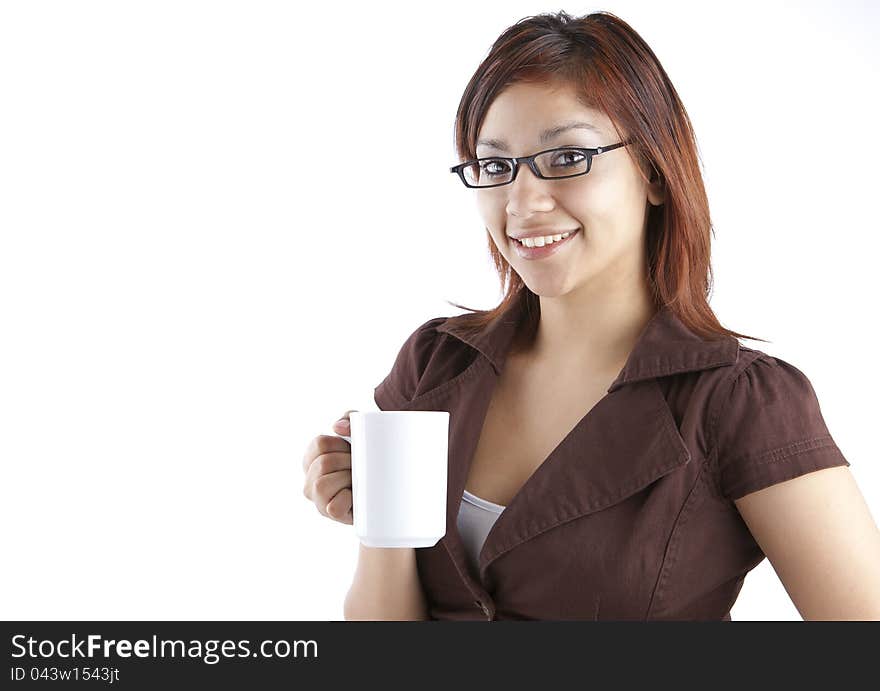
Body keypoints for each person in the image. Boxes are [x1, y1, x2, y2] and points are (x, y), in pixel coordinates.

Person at [302, 10, 880, 620]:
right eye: (495, 166)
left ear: (655, 171)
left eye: (568, 157)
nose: (522, 202)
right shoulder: (435, 364)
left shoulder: (739, 401)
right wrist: (377, 515)